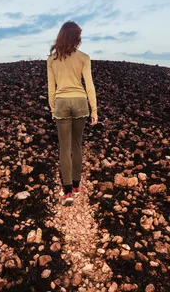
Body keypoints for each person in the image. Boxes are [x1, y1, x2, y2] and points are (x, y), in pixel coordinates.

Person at [47, 21, 98, 206]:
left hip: (61, 102)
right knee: (77, 145)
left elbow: (51, 89)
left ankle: (67, 191)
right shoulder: (84, 57)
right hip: (79, 102)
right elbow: (89, 85)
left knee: (64, 147)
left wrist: (53, 109)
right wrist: (94, 110)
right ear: (77, 37)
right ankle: (76, 185)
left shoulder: (52, 59)